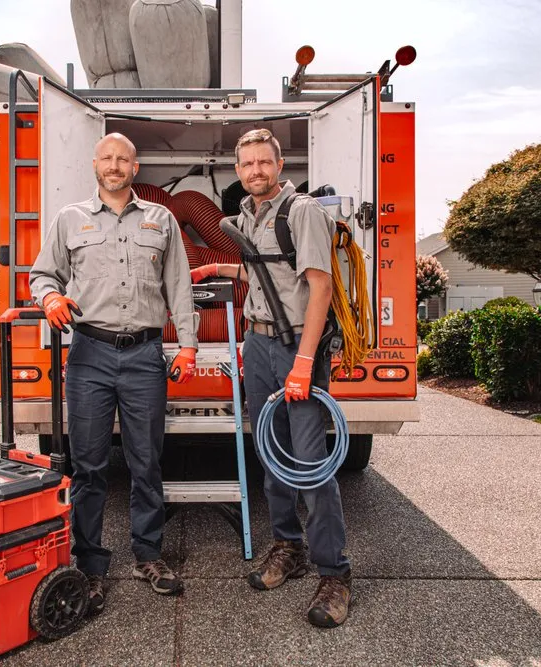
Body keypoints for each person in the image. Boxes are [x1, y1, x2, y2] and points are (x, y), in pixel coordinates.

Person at [29, 132, 199, 614]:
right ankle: (90, 564)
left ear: (135, 167)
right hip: (90, 355)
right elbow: (42, 274)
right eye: (107, 157)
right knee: (89, 466)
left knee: (147, 461)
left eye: (124, 158)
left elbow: (179, 285)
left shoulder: (160, 219)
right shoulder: (70, 219)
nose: (115, 165)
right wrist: (50, 298)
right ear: (95, 164)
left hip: (145, 355)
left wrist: (187, 345)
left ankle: (148, 554)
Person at [191, 128, 352, 628]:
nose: (255, 171)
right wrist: (218, 268)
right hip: (258, 344)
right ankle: (288, 546)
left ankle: (335, 573)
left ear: (279, 166)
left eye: (264, 162)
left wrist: (304, 362)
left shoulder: (301, 212)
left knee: (310, 462)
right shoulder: (247, 216)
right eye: (247, 164)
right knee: (271, 453)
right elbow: (263, 273)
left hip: (296, 345)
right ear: (238, 170)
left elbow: (320, 287)